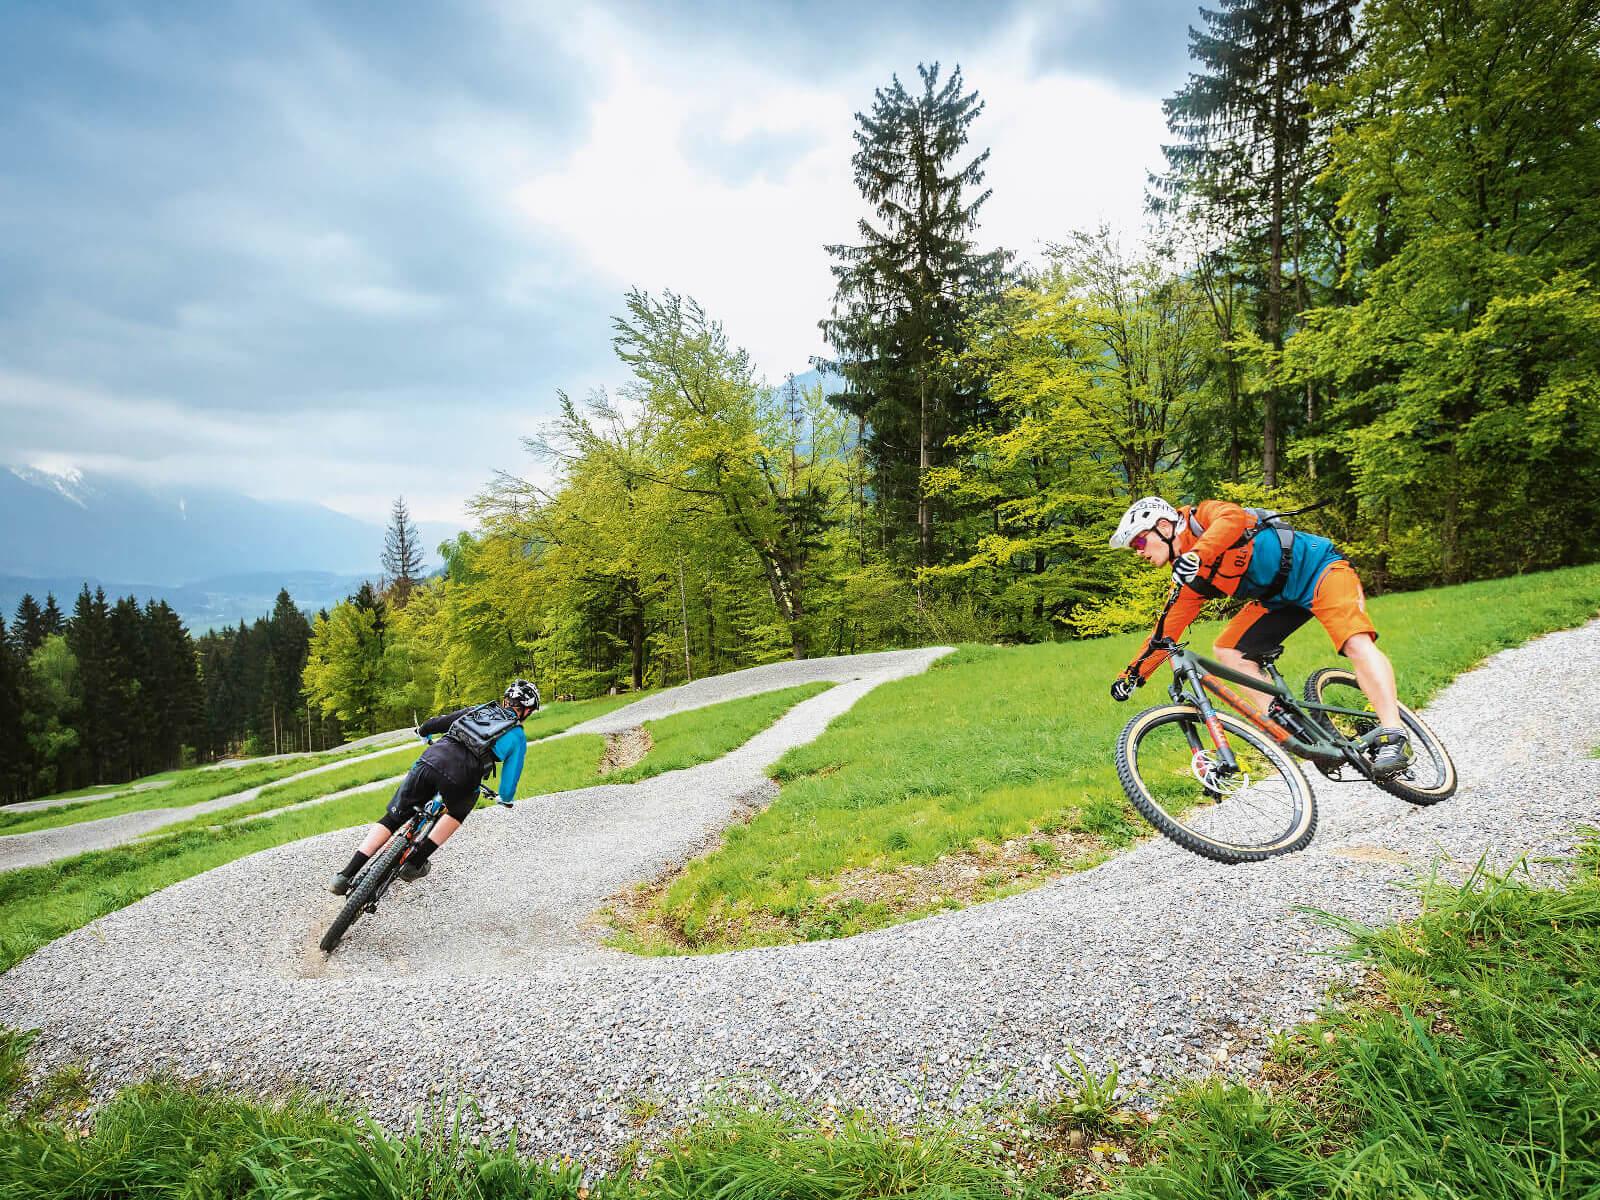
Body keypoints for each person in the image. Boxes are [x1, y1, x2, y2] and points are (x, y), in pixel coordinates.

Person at [1107, 496, 1412, 777]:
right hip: (1278, 600)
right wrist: (1132, 675)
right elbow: (1165, 633)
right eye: (1135, 547)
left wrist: (1198, 554)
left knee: (1355, 641)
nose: (1139, 551)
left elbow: (1232, 518)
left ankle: (1393, 734)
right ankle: (1288, 726)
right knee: (1228, 651)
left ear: (1163, 526)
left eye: (1139, 541)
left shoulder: (1203, 518)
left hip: (1321, 570)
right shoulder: (1191, 577)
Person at [327, 679, 541, 894]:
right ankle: (415, 863)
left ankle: (344, 875)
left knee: (392, 818)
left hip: (430, 760)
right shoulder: (517, 735)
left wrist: (423, 733)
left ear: (506, 700)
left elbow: (435, 723)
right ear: (526, 710)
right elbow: (509, 783)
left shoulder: (479, 711)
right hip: (463, 779)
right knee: (457, 811)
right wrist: (505, 799)